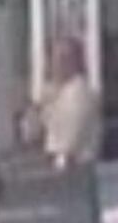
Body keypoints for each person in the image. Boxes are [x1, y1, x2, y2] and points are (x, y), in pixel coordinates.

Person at [22, 36, 101, 165]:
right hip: (56, 166)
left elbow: (68, 144)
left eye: (63, 59)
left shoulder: (79, 94)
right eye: (54, 59)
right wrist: (38, 105)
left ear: (75, 62)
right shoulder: (54, 92)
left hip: (74, 170)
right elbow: (29, 134)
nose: (55, 65)